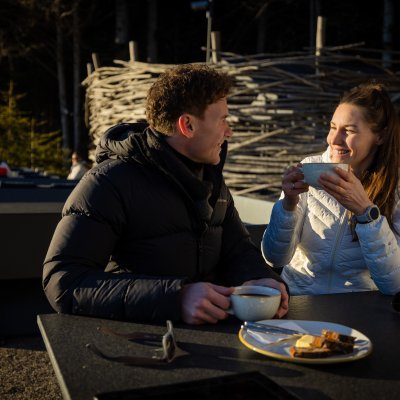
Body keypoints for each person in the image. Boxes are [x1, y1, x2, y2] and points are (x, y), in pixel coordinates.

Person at [43, 64, 289, 325]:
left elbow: (237, 249)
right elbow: (63, 281)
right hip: (140, 345)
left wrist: (260, 280)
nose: (229, 131)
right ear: (187, 125)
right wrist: (175, 298)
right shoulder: (109, 182)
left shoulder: (211, 178)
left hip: (215, 343)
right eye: (223, 120)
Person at [262, 82, 400, 296]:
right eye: (333, 127)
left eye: (349, 131)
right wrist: (287, 206)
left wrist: (367, 213)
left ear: (380, 136)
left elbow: (394, 284)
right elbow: (274, 258)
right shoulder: (310, 167)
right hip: (298, 299)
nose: (333, 139)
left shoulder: (395, 187)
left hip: (357, 307)